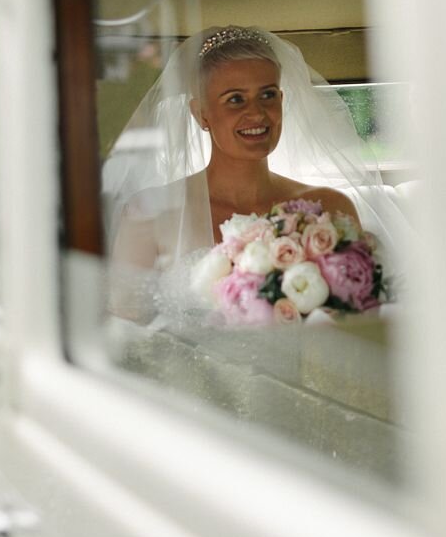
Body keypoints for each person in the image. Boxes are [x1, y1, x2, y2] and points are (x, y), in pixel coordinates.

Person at [105, 25, 403, 324]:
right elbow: (128, 332)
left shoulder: (330, 209)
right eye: (235, 99)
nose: (258, 114)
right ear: (201, 114)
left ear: (282, 100)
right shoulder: (149, 212)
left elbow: (357, 320)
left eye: (268, 95)